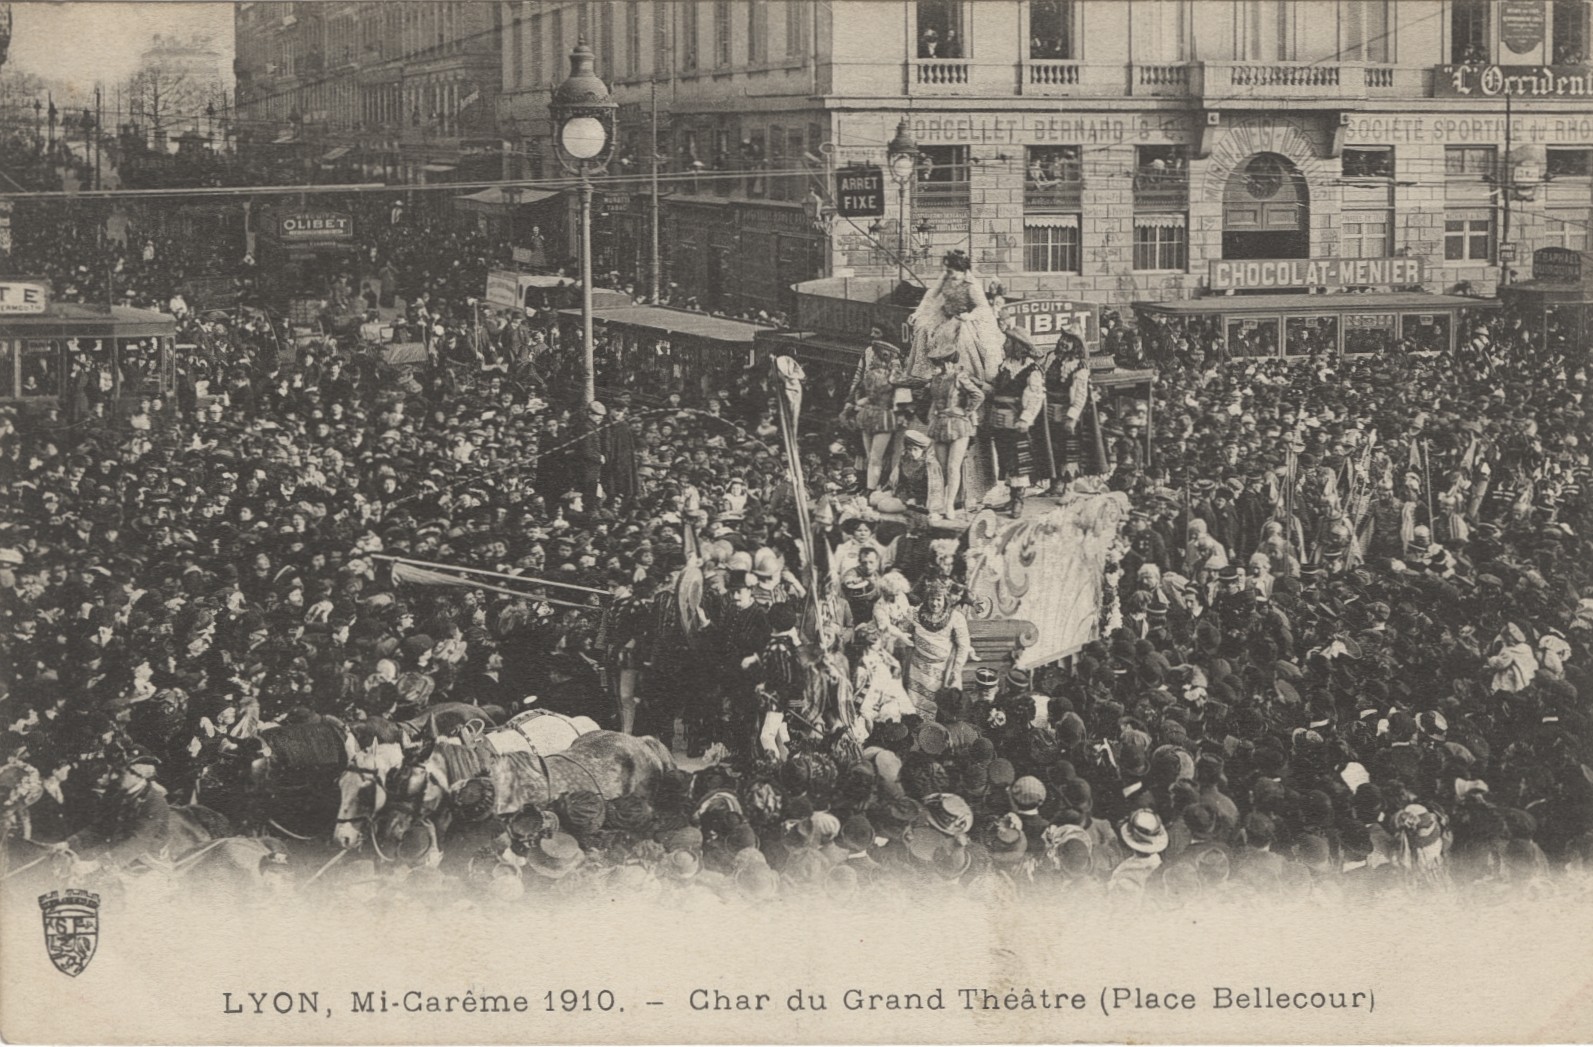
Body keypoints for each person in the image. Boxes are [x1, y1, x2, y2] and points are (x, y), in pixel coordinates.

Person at [988, 327, 1048, 518]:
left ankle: (1018, 501)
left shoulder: (1031, 370)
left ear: (1017, 346)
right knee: (1006, 461)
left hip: (1016, 422)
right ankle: (1011, 498)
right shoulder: (1004, 366)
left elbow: (1035, 396)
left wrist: (1025, 419)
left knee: (1018, 462)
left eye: (1008, 342)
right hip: (1000, 422)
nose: (1004, 345)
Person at [925, 340, 985, 522]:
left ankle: (949, 504)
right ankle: (951, 500)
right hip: (940, 423)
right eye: (938, 363)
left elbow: (978, 395)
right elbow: (933, 401)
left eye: (942, 362)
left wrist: (965, 411)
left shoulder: (959, 377)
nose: (941, 366)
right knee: (943, 467)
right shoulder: (935, 380)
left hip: (959, 425)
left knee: (953, 467)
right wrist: (932, 417)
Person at [906, 580, 971, 717]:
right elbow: (903, 631)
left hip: (942, 671)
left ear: (945, 599)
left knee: (941, 708)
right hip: (918, 670)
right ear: (926, 598)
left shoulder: (956, 618)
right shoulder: (915, 613)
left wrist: (956, 669)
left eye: (938, 599)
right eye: (931, 599)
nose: (935, 603)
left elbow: (964, 645)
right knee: (917, 708)